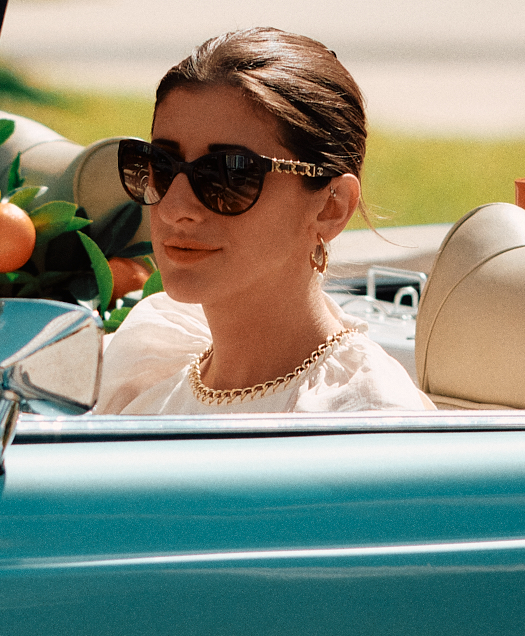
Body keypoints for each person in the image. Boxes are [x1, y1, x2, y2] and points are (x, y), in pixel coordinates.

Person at [97, 27, 431, 415]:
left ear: (331, 207)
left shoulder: (361, 417)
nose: (175, 208)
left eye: (229, 175)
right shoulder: (151, 351)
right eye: (161, 166)